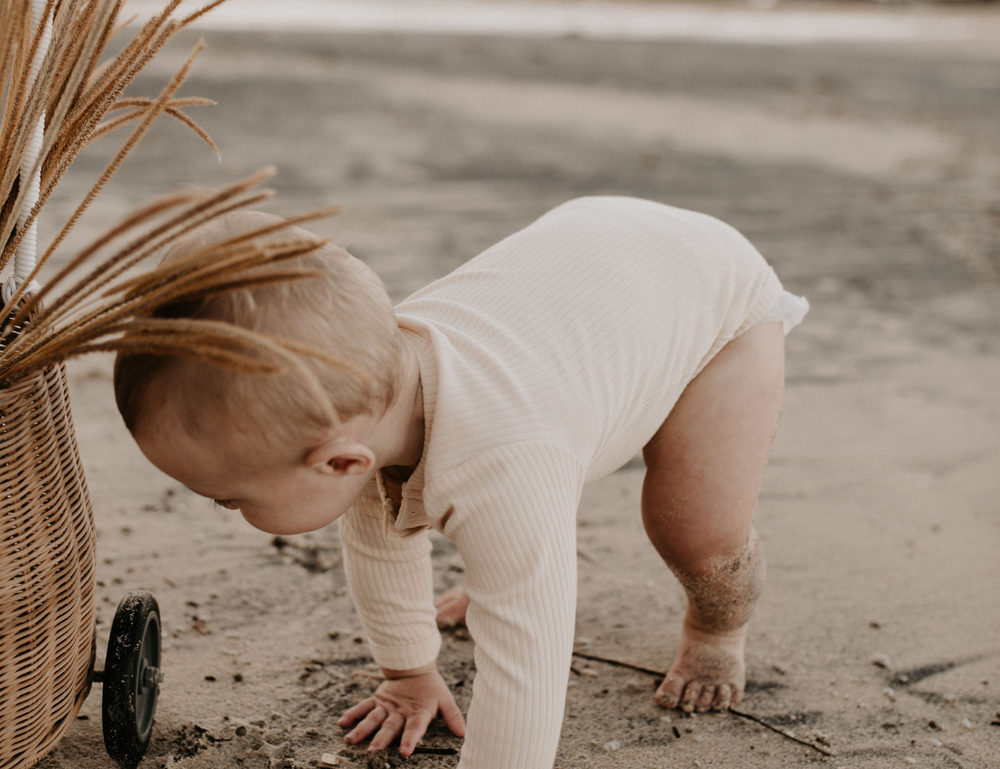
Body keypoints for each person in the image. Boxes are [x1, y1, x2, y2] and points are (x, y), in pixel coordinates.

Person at [115, 197, 808, 769]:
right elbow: (379, 535)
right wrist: (409, 671)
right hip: (597, 270)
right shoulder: (365, 399)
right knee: (513, 519)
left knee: (693, 525)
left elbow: (527, 665)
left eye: (232, 497)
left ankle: (718, 624)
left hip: (712, 301)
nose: (225, 510)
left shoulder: (505, 457)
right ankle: (509, 550)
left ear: (341, 463)